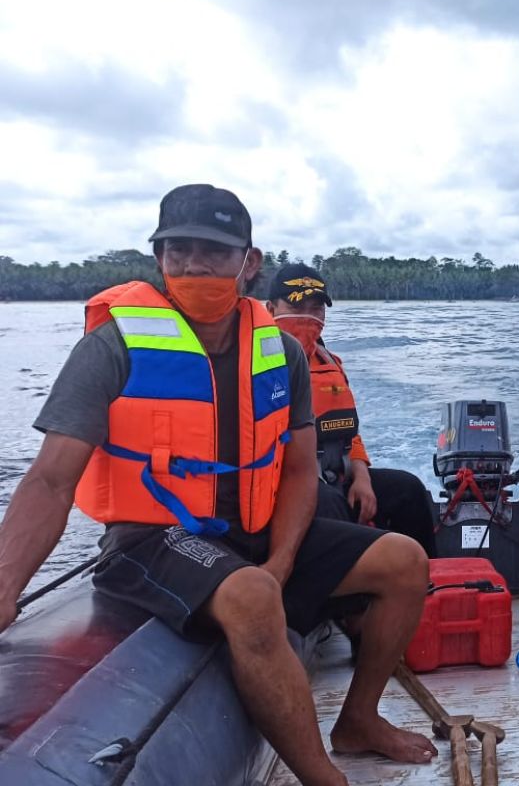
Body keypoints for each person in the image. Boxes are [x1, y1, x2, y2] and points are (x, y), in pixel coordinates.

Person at [0, 185, 436, 786]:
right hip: (152, 542)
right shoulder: (113, 346)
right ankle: (324, 777)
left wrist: (283, 561)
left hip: (254, 536)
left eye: (213, 251)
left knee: (404, 561)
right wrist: (4, 588)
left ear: (248, 262)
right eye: (178, 250)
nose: (194, 265)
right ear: (158, 258)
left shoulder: (280, 352)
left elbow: (301, 469)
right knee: (253, 594)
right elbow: (50, 479)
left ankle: (359, 718)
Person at [265, 263, 437, 559]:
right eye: (298, 306)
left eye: (317, 308)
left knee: (408, 490)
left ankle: (427, 584)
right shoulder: (256, 365)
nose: (308, 316)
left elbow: (349, 434)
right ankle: (346, 597)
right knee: (329, 505)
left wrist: (361, 476)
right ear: (270, 308)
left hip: (337, 475)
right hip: (282, 486)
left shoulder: (331, 363)